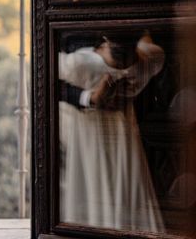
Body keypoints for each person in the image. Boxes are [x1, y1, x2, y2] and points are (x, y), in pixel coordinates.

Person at [58, 33, 165, 232]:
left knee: (92, 190)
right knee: (124, 188)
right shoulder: (148, 62)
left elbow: (44, 75)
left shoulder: (80, 64)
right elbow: (150, 45)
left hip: (88, 132)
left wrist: (89, 96)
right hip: (122, 135)